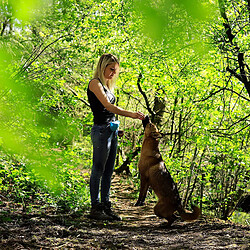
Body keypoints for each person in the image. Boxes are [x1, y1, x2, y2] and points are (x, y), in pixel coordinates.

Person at [87, 53, 145, 220]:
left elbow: (109, 112)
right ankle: (95, 208)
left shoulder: (107, 86)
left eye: (116, 70)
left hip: (111, 131)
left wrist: (117, 127)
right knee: (98, 169)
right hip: (100, 131)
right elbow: (107, 106)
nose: (113, 73)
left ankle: (105, 206)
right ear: (102, 66)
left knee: (109, 171)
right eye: (111, 69)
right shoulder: (94, 83)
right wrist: (131, 114)